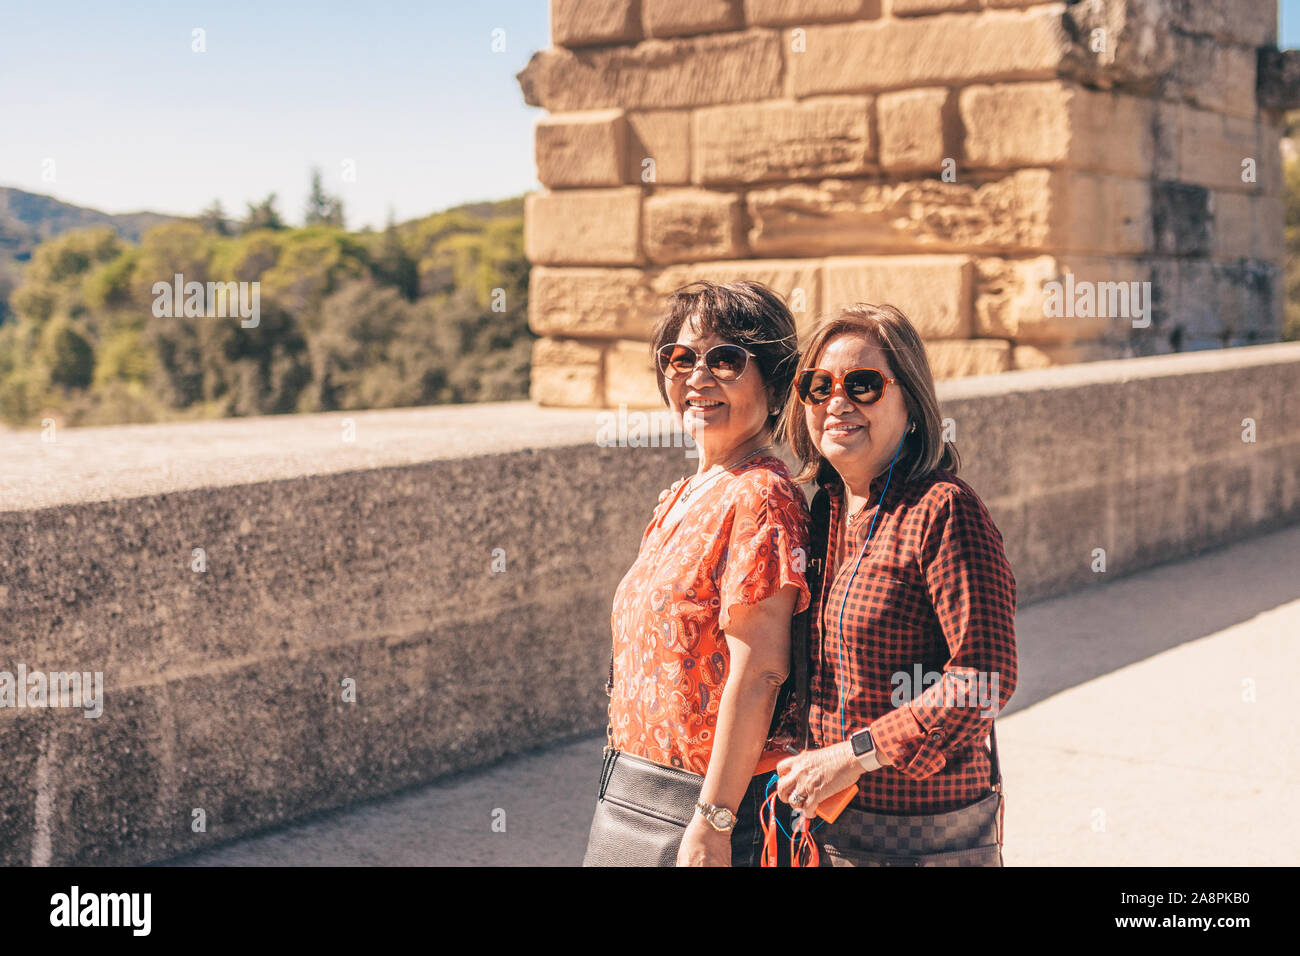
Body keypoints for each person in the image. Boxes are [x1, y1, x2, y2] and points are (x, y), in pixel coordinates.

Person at [772, 303, 1017, 867]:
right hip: (826, 825)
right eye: (818, 386)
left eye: (862, 385)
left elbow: (986, 678)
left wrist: (856, 755)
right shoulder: (825, 511)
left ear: (910, 401)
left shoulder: (944, 510)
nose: (838, 402)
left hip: (923, 831)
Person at [582, 280, 811, 867]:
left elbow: (759, 672)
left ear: (775, 381)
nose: (698, 377)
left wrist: (713, 823)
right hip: (632, 788)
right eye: (680, 358)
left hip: (706, 805)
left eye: (726, 359)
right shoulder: (680, 495)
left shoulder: (762, 496)